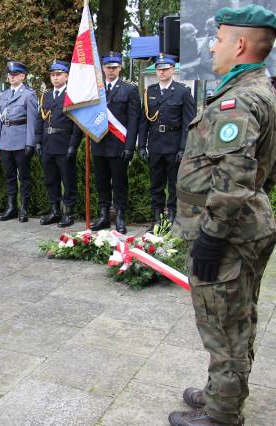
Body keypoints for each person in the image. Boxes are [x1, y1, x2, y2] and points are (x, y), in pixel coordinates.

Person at [170, 5, 276, 426]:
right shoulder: (259, 89)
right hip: (245, 226)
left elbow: (233, 179)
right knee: (237, 315)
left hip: (227, 233)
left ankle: (221, 415)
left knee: (225, 323)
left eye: (218, 39)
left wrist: (211, 237)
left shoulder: (239, 100)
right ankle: (221, 392)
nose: (212, 46)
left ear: (241, 44)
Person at [139, 54, 196, 229]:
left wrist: (183, 148)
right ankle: (157, 218)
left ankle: (172, 218)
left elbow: (189, 123)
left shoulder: (183, 92)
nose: (161, 72)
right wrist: (141, 145)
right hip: (155, 144)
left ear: (172, 70)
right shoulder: (151, 92)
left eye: (165, 69)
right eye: (159, 69)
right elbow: (144, 121)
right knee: (156, 184)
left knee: (173, 185)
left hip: (173, 145)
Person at [90, 52, 141, 234]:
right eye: (108, 67)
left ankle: (120, 216)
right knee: (101, 183)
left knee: (119, 183)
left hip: (119, 145)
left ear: (120, 67)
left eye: (114, 67)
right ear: (103, 68)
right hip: (99, 143)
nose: (111, 70)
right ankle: (103, 215)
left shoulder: (129, 89)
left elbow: (134, 120)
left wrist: (129, 146)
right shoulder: (96, 89)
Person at [36, 60, 81, 227]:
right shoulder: (46, 95)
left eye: (59, 74)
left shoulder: (72, 95)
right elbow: (40, 120)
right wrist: (38, 141)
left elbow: (77, 124)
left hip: (64, 143)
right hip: (48, 144)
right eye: (53, 75)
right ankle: (55, 211)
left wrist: (73, 145)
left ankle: (69, 212)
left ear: (66, 76)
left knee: (68, 180)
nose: (55, 78)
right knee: (51, 179)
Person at [0, 60, 38, 222]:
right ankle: (11, 207)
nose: (11, 77)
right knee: (9, 176)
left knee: (24, 177)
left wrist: (30, 143)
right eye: (10, 74)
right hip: (5, 141)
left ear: (23, 76)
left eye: (15, 74)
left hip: (21, 141)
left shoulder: (29, 94)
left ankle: (24, 208)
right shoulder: (3, 95)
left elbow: (33, 121)